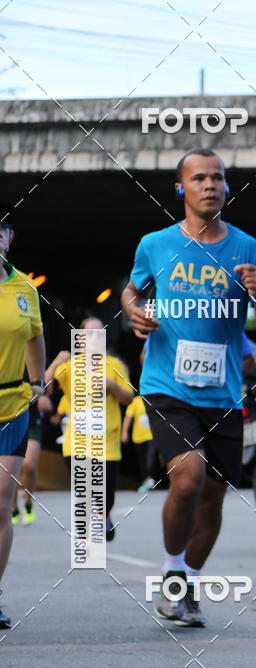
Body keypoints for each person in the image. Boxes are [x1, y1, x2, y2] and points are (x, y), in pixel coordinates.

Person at [121, 148, 256, 626]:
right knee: (188, 478)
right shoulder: (155, 244)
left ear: (227, 186)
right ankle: (172, 575)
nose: (210, 185)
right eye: (199, 178)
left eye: (218, 177)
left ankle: (187, 582)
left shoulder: (249, 249)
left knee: (212, 498)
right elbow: (132, 290)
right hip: (167, 384)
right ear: (181, 188)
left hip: (224, 392)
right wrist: (133, 310)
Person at [46, 317, 134, 541]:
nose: (94, 338)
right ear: (80, 338)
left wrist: (112, 385)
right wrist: (56, 362)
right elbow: (43, 390)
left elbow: (128, 398)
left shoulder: (114, 366)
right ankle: (83, 537)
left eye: (99, 333)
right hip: (76, 441)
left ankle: (104, 514)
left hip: (107, 443)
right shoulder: (69, 367)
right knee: (83, 491)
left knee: (106, 497)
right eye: (89, 333)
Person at [0, 217, 45, 627]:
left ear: (8, 239)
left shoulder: (24, 288)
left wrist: (37, 381)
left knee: (1, 503)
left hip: (11, 404)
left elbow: (34, 335)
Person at [11, 388, 53, 525]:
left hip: (31, 420)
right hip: (8, 420)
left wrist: (41, 394)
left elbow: (44, 388)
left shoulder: (33, 373)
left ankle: (28, 502)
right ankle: (13, 507)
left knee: (29, 465)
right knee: (11, 469)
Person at [121, 394, 159, 492]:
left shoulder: (154, 400)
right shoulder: (135, 401)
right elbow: (128, 417)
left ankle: (151, 478)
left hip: (152, 435)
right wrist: (124, 432)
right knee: (143, 460)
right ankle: (146, 480)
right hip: (139, 437)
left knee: (151, 457)